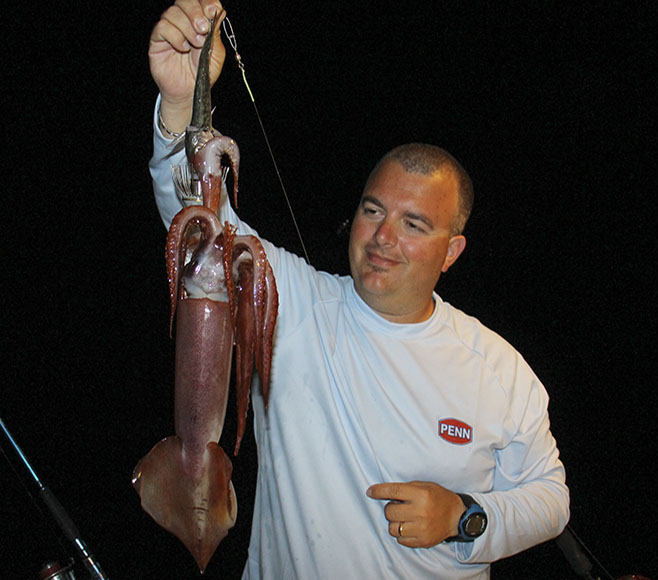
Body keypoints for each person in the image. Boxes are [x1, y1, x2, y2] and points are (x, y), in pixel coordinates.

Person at [147, 1, 570, 578]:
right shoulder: (290, 303)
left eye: (414, 225)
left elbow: (550, 499)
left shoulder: (497, 368)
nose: (383, 238)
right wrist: (179, 103)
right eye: (374, 210)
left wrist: (464, 517)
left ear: (452, 252)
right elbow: (199, 226)